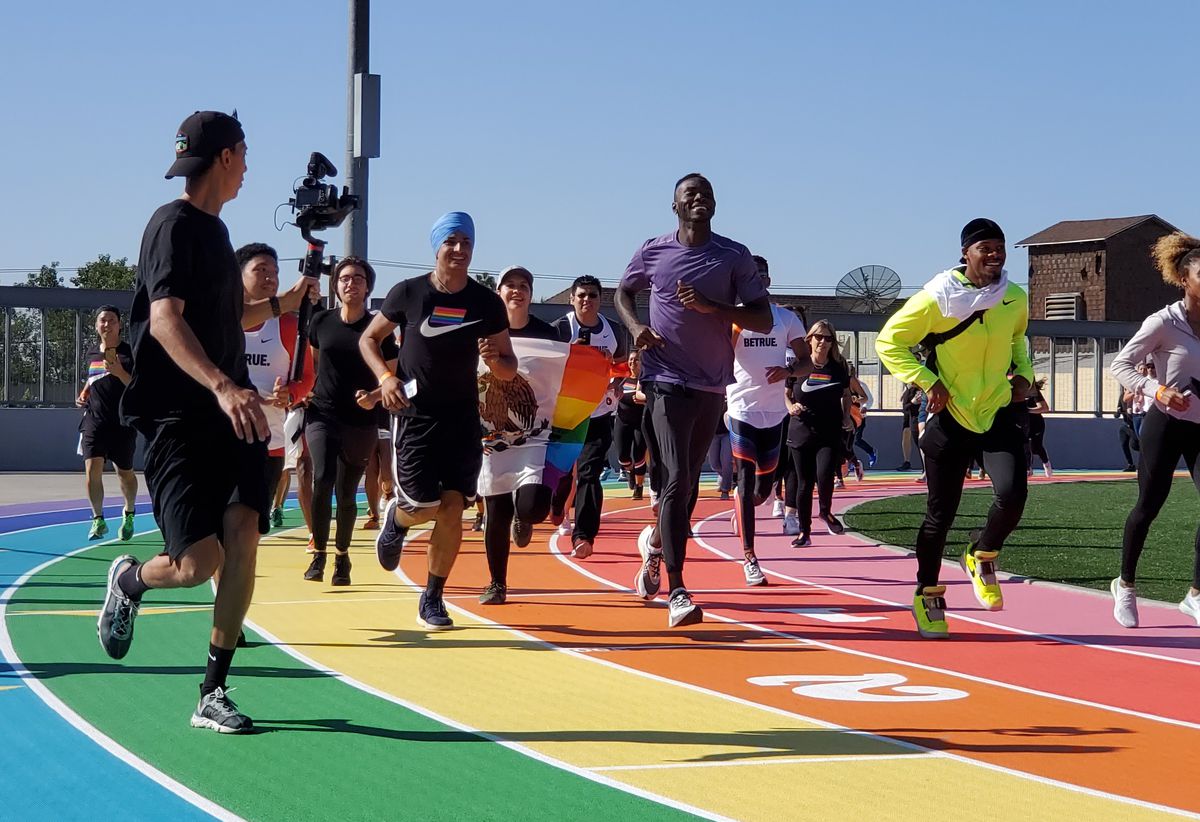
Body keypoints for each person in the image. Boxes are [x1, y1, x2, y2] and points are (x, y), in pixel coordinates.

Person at [99, 110, 318, 733]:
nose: (248, 166)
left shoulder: (219, 234)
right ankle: (131, 580)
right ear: (224, 157)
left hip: (233, 412)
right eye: (243, 153)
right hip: (179, 416)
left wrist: (280, 304)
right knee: (196, 564)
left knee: (244, 532)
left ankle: (212, 691)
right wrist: (221, 384)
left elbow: (227, 320)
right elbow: (165, 320)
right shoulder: (172, 226)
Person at [615, 173, 771, 627]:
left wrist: (713, 307)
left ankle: (656, 547)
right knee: (678, 478)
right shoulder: (653, 251)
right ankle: (678, 590)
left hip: (711, 385)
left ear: (715, 205)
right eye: (690, 194)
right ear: (676, 206)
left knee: (686, 487)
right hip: (663, 378)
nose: (699, 198)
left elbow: (762, 318)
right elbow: (623, 292)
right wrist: (635, 327)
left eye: (706, 194)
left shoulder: (734, 256)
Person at [876, 218, 1034, 639]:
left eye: (1000, 246)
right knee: (939, 515)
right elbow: (889, 341)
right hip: (950, 417)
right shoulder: (938, 297)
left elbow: (1018, 340)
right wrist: (928, 381)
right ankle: (927, 594)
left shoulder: (1014, 297)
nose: (995, 254)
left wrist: (1024, 374)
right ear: (966, 253)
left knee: (1013, 495)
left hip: (997, 410)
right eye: (985, 247)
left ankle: (982, 552)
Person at [362, 212, 515, 630]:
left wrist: (495, 360)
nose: (460, 249)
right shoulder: (409, 293)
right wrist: (385, 377)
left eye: (466, 242)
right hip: (415, 416)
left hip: (462, 418)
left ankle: (433, 597)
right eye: (451, 241)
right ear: (437, 246)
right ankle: (397, 520)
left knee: (452, 508)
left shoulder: (486, 303)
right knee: (423, 506)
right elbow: (369, 338)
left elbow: (508, 367)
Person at [1110, 231, 1200, 629]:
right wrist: (1158, 390)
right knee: (1148, 506)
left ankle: (1195, 594)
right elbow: (1120, 365)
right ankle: (1126, 584)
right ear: (1184, 279)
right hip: (1166, 425)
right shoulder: (1163, 322)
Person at [304, 257, 396, 586]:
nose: (350, 283)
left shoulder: (379, 328)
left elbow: (393, 378)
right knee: (322, 478)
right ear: (336, 286)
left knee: (346, 492)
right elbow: (312, 365)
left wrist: (374, 396)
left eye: (358, 278)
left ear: (368, 287)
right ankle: (318, 554)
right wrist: (304, 391)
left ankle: (342, 557)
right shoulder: (321, 321)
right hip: (322, 413)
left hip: (361, 419)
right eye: (344, 278)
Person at [725, 255, 809, 583]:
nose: (757, 281)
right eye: (751, 276)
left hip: (774, 413)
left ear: (769, 281)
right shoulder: (733, 319)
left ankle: (743, 504)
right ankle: (750, 557)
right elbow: (719, 355)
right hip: (741, 408)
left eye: (761, 276)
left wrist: (788, 372)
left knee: (762, 490)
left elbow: (806, 362)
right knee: (746, 483)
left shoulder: (786, 319)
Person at [478, 265, 559, 604]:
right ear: (499, 292)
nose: (517, 290)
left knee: (532, 509)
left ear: (530, 293)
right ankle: (497, 583)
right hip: (491, 437)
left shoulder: (548, 333)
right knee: (496, 512)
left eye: (523, 285)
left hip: (535, 435)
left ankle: (524, 518)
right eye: (509, 285)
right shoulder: (481, 330)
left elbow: (568, 372)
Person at [237, 242, 316, 545]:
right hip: (220, 440)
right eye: (261, 270)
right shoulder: (221, 323)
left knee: (250, 531)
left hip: (268, 442)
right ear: (238, 275)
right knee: (217, 531)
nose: (271, 277)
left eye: (275, 271)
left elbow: (307, 376)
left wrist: (290, 395)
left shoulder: (289, 325)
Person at [550, 276, 629, 559]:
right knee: (561, 474)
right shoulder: (560, 329)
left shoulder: (615, 331)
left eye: (592, 295)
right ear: (572, 298)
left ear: (600, 299)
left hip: (598, 413)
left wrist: (616, 385)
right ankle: (557, 504)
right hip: (565, 414)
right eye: (581, 295)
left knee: (589, 473)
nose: (587, 300)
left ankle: (583, 536)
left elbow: (622, 367)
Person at [785, 321, 852, 546]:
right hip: (801, 430)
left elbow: (846, 394)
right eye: (819, 337)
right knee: (804, 483)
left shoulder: (839, 367)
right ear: (810, 339)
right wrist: (790, 407)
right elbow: (786, 394)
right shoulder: (797, 365)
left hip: (829, 430)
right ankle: (804, 532)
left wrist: (846, 416)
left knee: (824, 476)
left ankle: (825, 511)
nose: (823, 342)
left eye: (828, 338)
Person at [77, 305, 139, 542]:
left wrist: (120, 372)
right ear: (96, 326)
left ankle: (129, 511)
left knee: (124, 473)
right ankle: (98, 518)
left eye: (112, 320)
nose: (107, 324)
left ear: (119, 325)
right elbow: (93, 379)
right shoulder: (92, 352)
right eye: (102, 320)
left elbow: (138, 387)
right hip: (94, 421)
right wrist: (84, 394)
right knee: (92, 469)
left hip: (122, 422)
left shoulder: (130, 353)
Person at [614, 350, 648, 500]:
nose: (632, 363)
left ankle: (639, 487)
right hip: (623, 420)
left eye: (636, 360)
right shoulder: (621, 378)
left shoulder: (645, 379)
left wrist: (644, 400)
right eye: (631, 360)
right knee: (623, 457)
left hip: (640, 421)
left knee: (639, 455)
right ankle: (630, 471)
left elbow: (652, 398)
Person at [1024, 377, 1052, 478]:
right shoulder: (1015, 392)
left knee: (1036, 447)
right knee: (1024, 445)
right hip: (1024, 424)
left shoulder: (1034, 393)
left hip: (1036, 424)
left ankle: (1046, 463)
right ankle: (1028, 468)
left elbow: (1045, 408)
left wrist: (1028, 410)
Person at [707, 408, 734, 500]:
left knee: (726, 461)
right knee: (714, 464)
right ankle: (725, 476)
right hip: (713, 433)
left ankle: (725, 490)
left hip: (728, 433)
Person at [897, 383, 923, 471]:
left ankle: (926, 464)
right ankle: (906, 461)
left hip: (918, 415)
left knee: (920, 439)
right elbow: (905, 406)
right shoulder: (909, 389)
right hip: (910, 414)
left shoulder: (919, 388)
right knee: (906, 433)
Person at [1116, 390, 1140, 471]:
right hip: (1125, 424)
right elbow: (1118, 408)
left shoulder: (1136, 396)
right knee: (1123, 442)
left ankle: (1146, 461)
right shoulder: (1122, 396)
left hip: (1133, 425)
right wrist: (1118, 412)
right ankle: (1130, 464)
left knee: (1135, 445)